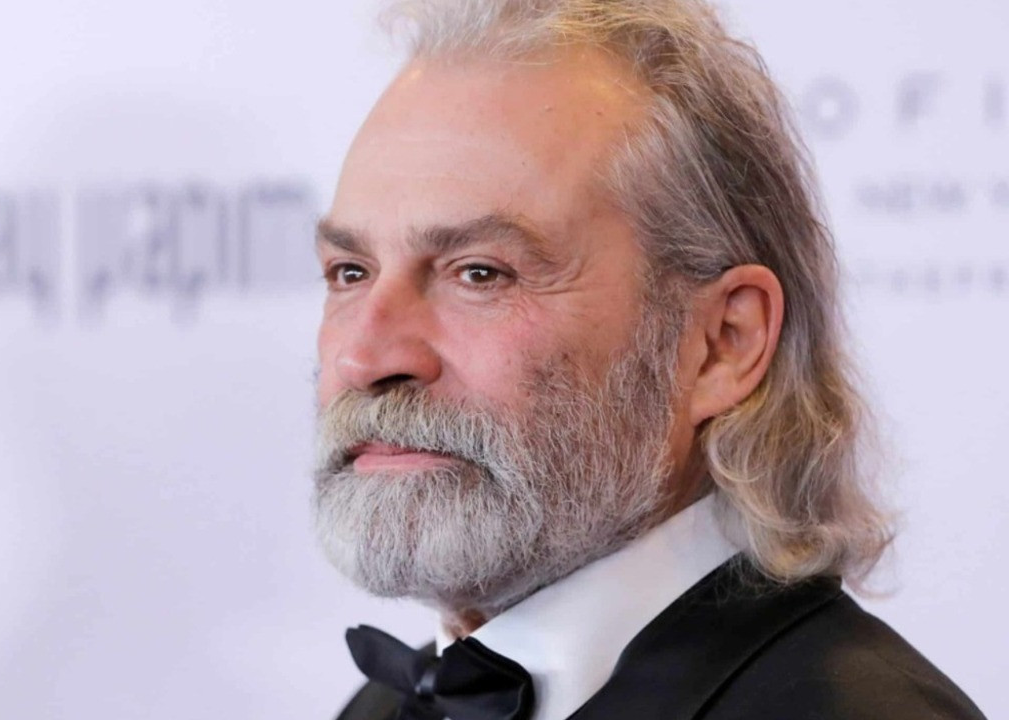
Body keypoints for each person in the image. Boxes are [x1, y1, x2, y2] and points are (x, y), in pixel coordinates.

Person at [309, 1, 987, 719]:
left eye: (481, 274)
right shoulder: (381, 707)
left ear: (722, 344)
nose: (364, 357)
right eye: (350, 272)